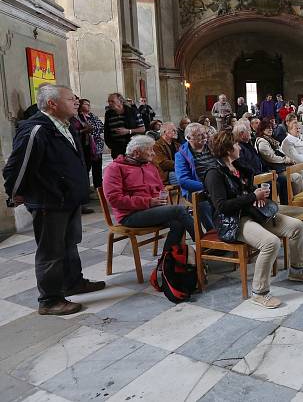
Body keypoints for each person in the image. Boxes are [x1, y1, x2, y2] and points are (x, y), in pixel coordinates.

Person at [3, 85, 105, 316]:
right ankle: (49, 300)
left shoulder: (67, 125)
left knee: (69, 244)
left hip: (68, 199)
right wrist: (15, 194)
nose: (76, 102)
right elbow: (17, 166)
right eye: (71, 99)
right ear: (52, 104)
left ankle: (73, 282)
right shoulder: (37, 129)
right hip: (50, 201)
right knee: (51, 251)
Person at [204, 129, 303, 309]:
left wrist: (258, 198)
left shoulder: (239, 167)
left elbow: (246, 192)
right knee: (271, 243)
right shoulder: (214, 174)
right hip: (234, 221)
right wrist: (252, 197)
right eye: (235, 144)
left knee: (296, 226)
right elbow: (222, 207)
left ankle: (297, 271)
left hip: (253, 212)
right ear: (227, 149)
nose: (239, 147)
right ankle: (259, 292)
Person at [104, 135, 194, 248]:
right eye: (149, 149)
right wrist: (149, 202)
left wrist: (160, 197)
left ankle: (168, 261)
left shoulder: (150, 166)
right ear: (136, 153)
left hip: (152, 210)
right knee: (179, 209)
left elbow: (160, 188)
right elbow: (114, 199)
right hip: (130, 215)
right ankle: (203, 243)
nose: (153, 153)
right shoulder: (114, 168)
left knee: (179, 222)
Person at [175, 122, 214, 230]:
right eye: (199, 135)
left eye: (204, 133)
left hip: (215, 185)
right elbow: (183, 180)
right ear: (188, 137)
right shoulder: (181, 155)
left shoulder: (212, 148)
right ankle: (214, 235)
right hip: (198, 189)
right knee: (204, 204)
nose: (204, 137)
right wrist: (206, 186)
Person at [254, 119, 303, 203]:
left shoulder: (271, 140)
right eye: (267, 128)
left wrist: (289, 159)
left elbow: (281, 152)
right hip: (273, 169)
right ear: (262, 130)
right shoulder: (262, 142)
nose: (270, 129)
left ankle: (302, 198)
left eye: (271, 128)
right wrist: (285, 160)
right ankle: (298, 202)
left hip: (280, 166)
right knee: (297, 177)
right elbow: (271, 158)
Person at [75, 98, 104, 193]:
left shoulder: (92, 115)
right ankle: (86, 189)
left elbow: (100, 126)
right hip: (86, 146)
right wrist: (89, 130)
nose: (88, 106)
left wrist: (93, 130)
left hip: (97, 145)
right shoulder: (79, 117)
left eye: (89, 104)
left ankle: (98, 187)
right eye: (86, 104)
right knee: (86, 168)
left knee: (97, 168)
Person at [104, 93, 145, 158]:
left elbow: (142, 129)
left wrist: (128, 131)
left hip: (132, 146)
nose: (110, 103)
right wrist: (110, 144)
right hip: (116, 148)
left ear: (120, 101)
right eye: (108, 101)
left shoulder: (133, 112)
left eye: (112, 101)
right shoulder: (108, 114)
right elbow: (106, 130)